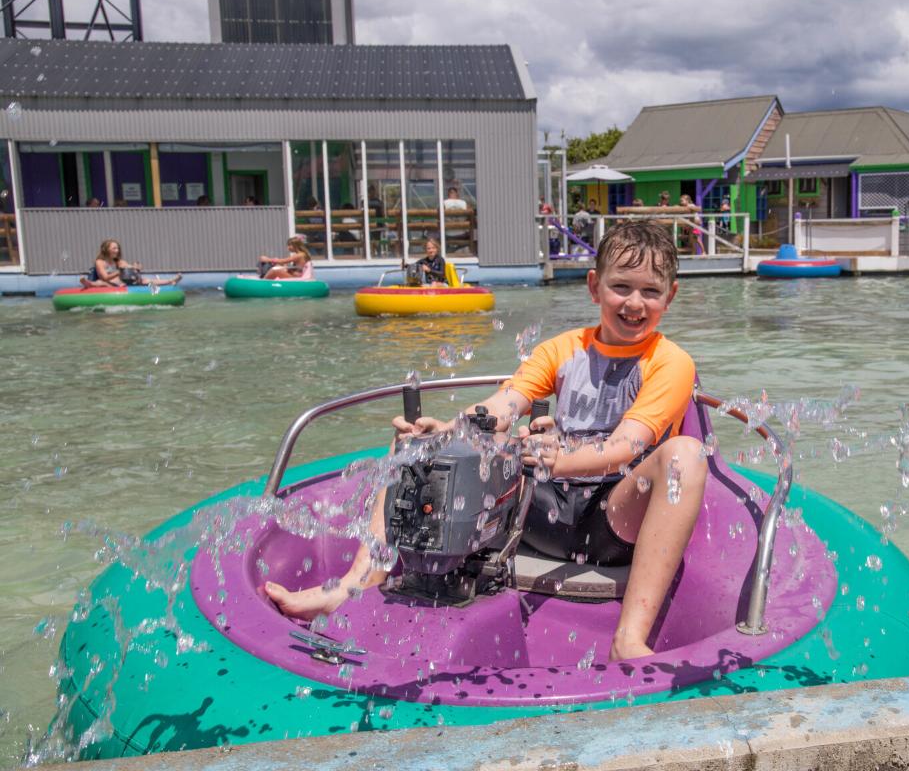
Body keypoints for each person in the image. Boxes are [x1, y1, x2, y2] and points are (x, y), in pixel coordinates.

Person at [265, 220, 706, 661]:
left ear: (670, 296)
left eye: (650, 291)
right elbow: (503, 406)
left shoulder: (670, 362)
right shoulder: (563, 348)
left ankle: (627, 638)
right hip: (542, 510)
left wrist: (558, 459)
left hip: (612, 518)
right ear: (594, 287)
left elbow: (626, 447)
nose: (634, 303)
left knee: (685, 454)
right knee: (415, 446)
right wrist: (449, 432)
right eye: (621, 286)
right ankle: (354, 585)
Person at [79, 239, 181, 288]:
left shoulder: (118, 261)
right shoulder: (100, 262)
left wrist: (135, 267)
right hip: (107, 282)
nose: (117, 250)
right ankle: (89, 284)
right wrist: (119, 272)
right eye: (114, 248)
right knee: (102, 283)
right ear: (106, 249)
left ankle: (170, 281)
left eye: (118, 248)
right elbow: (105, 277)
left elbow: (127, 267)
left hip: (119, 282)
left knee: (144, 280)